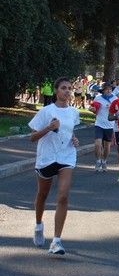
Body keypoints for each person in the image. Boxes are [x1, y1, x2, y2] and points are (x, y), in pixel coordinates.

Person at [30, 77, 80, 254]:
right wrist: (49, 128)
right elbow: (33, 137)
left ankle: (56, 241)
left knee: (63, 197)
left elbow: (70, 131)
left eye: (69, 88)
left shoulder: (74, 112)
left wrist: (74, 139)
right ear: (56, 91)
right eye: (63, 88)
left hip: (66, 156)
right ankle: (38, 226)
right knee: (42, 195)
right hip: (46, 157)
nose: (67, 91)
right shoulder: (46, 111)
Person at [90, 82, 117, 172]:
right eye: (106, 89)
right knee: (97, 144)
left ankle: (104, 161)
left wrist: (112, 108)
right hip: (99, 124)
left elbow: (118, 112)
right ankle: (98, 161)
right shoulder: (98, 98)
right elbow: (92, 107)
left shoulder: (115, 98)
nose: (108, 91)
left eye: (110, 89)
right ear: (103, 90)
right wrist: (92, 109)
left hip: (109, 125)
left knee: (107, 146)